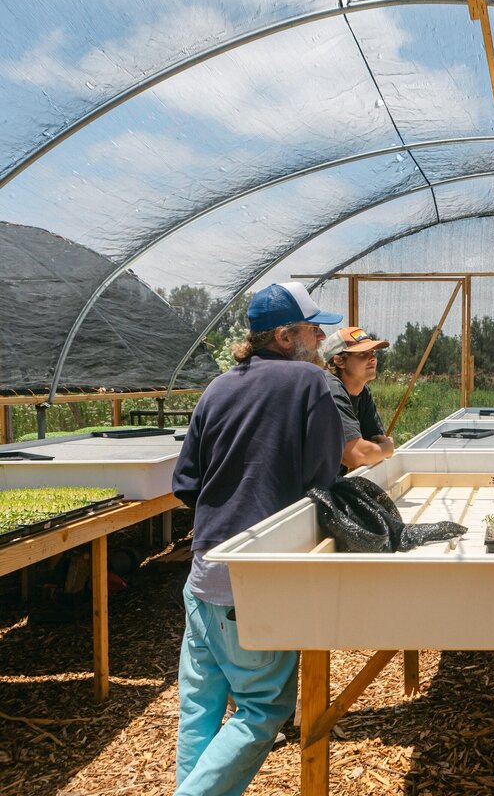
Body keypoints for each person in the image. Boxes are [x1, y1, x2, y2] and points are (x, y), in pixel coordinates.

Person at [171, 282, 344, 796]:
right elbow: (322, 483)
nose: (320, 338)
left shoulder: (218, 387)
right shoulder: (310, 385)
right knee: (263, 708)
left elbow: (186, 485)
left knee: (199, 707)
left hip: (204, 572)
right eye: (314, 328)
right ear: (287, 336)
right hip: (256, 579)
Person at [319, 326, 395, 471]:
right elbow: (357, 456)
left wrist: (376, 449)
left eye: (372, 352)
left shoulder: (362, 391)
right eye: (362, 354)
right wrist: (387, 449)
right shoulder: (330, 388)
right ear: (339, 361)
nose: (372, 358)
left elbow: (375, 441)